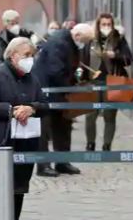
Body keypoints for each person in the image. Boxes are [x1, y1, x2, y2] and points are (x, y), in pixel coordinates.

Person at [0, 37, 47, 220]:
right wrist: (11, 110)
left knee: (19, 191)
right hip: (1, 142)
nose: (30, 59)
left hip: (26, 142)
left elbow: (45, 105)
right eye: (26, 55)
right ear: (13, 55)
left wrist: (32, 108)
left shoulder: (32, 78)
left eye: (32, 55)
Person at [32, 23, 94, 176]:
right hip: (45, 90)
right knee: (44, 129)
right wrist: (70, 88)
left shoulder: (70, 42)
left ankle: (62, 161)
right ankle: (43, 165)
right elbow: (56, 71)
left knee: (63, 126)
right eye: (85, 41)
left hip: (59, 91)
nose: (84, 45)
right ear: (78, 35)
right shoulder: (59, 42)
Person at [81, 13, 133, 151]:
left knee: (110, 116)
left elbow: (128, 59)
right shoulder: (91, 40)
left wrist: (115, 55)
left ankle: (107, 144)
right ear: (98, 25)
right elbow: (82, 60)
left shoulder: (119, 39)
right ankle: (90, 143)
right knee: (90, 115)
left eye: (109, 24)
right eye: (103, 24)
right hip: (93, 82)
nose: (106, 27)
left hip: (112, 82)